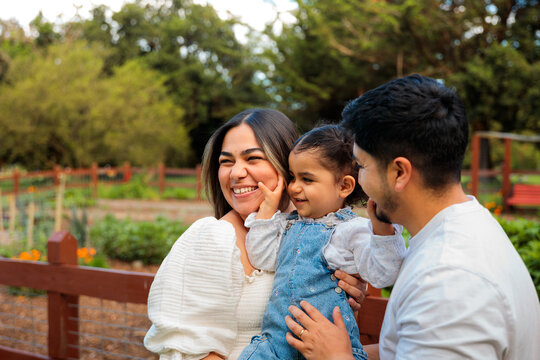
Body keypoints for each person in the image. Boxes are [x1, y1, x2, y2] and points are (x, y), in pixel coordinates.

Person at [285, 74, 540, 359]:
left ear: (399, 173)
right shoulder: (464, 227)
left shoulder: (447, 283)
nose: (359, 181)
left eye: (362, 166)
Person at [144, 109, 368, 360]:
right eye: (226, 161)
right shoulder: (212, 237)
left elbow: (335, 337)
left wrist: (348, 293)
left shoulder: (322, 237)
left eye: (252, 158)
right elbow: (190, 350)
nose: (236, 173)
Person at [238, 125, 406, 360]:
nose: (295, 187)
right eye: (292, 177)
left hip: (328, 350)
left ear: (344, 186)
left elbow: (382, 275)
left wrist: (383, 231)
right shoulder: (288, 224)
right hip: (275, 346)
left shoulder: (350, 230)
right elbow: (262, 258)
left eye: (307, 179)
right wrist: (266, 213)